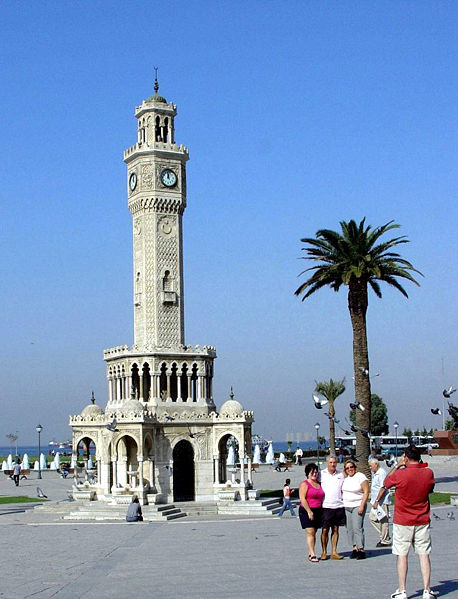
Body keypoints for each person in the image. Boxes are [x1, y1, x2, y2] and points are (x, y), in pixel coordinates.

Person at [375, 445, 437, 599]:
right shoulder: (428, 473)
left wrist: (398, 465)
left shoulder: (400, 474)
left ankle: (402, 590)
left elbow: (386, 482)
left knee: (402, 555)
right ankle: (427, 590)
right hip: (422, 519)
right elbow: (430, 489)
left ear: (406, 458)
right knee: (424, 554)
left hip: (403, 520)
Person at [342, 459, 369, 560]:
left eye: (351, 467)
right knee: (349, 528)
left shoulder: (360, 476)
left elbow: (366, 491)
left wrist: (362, 505)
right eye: (347, 468)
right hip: (346, 506)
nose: (350, 469)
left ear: (355, 468)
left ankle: (361, 550)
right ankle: (355, 548)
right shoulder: (346, 479)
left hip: (357, 505)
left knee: (357, 527)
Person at [320, 455, 345, 560]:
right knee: (325, 530)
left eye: (334, 462)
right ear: (327, 463)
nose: (332, 464)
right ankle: (324, 552)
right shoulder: (321, 474)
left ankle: (334, 552)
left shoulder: (341, 474)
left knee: (335, 529)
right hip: (326, 506)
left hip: (338, 506)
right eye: (330, 462)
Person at [299, 463, 325, 562]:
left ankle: (311, 552)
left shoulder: (319, 484)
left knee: (314, 532)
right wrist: (309, 511)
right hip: (307, 510)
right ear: (307, 473)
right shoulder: (305, 484)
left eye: (316, 472)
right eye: (312, 472)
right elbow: (302, 498)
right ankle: (313, 554)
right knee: (310, 532)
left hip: (318, 509)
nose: (314, 474)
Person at [368, 457, 392, 546]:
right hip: (376, 501)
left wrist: (377, 500)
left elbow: (383, 487)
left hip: (382, 501)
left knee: (383, 520)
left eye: (371, 466)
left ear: (376, 464)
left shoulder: (381, 473)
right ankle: (384, 535)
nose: (370, 468)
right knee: (372, 518)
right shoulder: (376, 474)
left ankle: (385, 539)